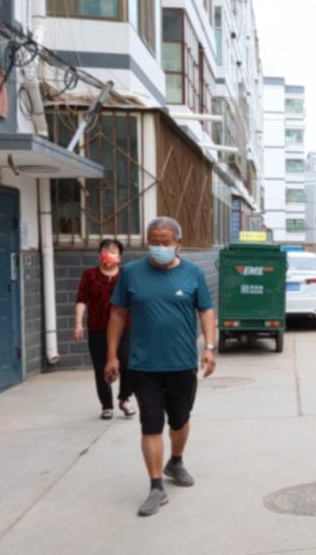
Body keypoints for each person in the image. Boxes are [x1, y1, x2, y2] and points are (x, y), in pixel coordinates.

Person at [105, 216, 217, 517]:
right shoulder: (131, 273)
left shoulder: (193, 273)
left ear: (178, 243)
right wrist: (112, 356)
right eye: (154, 242)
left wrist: (209, 348)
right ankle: (156, 486)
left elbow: (206, 310)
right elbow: (117, 314)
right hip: (144, 365)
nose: (159, 247)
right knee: (151, 424)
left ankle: (175, 461)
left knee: (179, 421)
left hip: (182, 363)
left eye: (165, 242)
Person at [75, 239, 135, 420]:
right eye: (105, 251)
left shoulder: (126, 275)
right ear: (99, 255)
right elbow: (81, 300)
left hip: (124, 327)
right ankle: (106, 405)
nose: (109, 255)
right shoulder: (89, 275)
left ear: (120, 257)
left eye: (114, 251)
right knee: (101, 366)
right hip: (98, 327)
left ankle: (124, 398)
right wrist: (78, 323)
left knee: (127, 362)